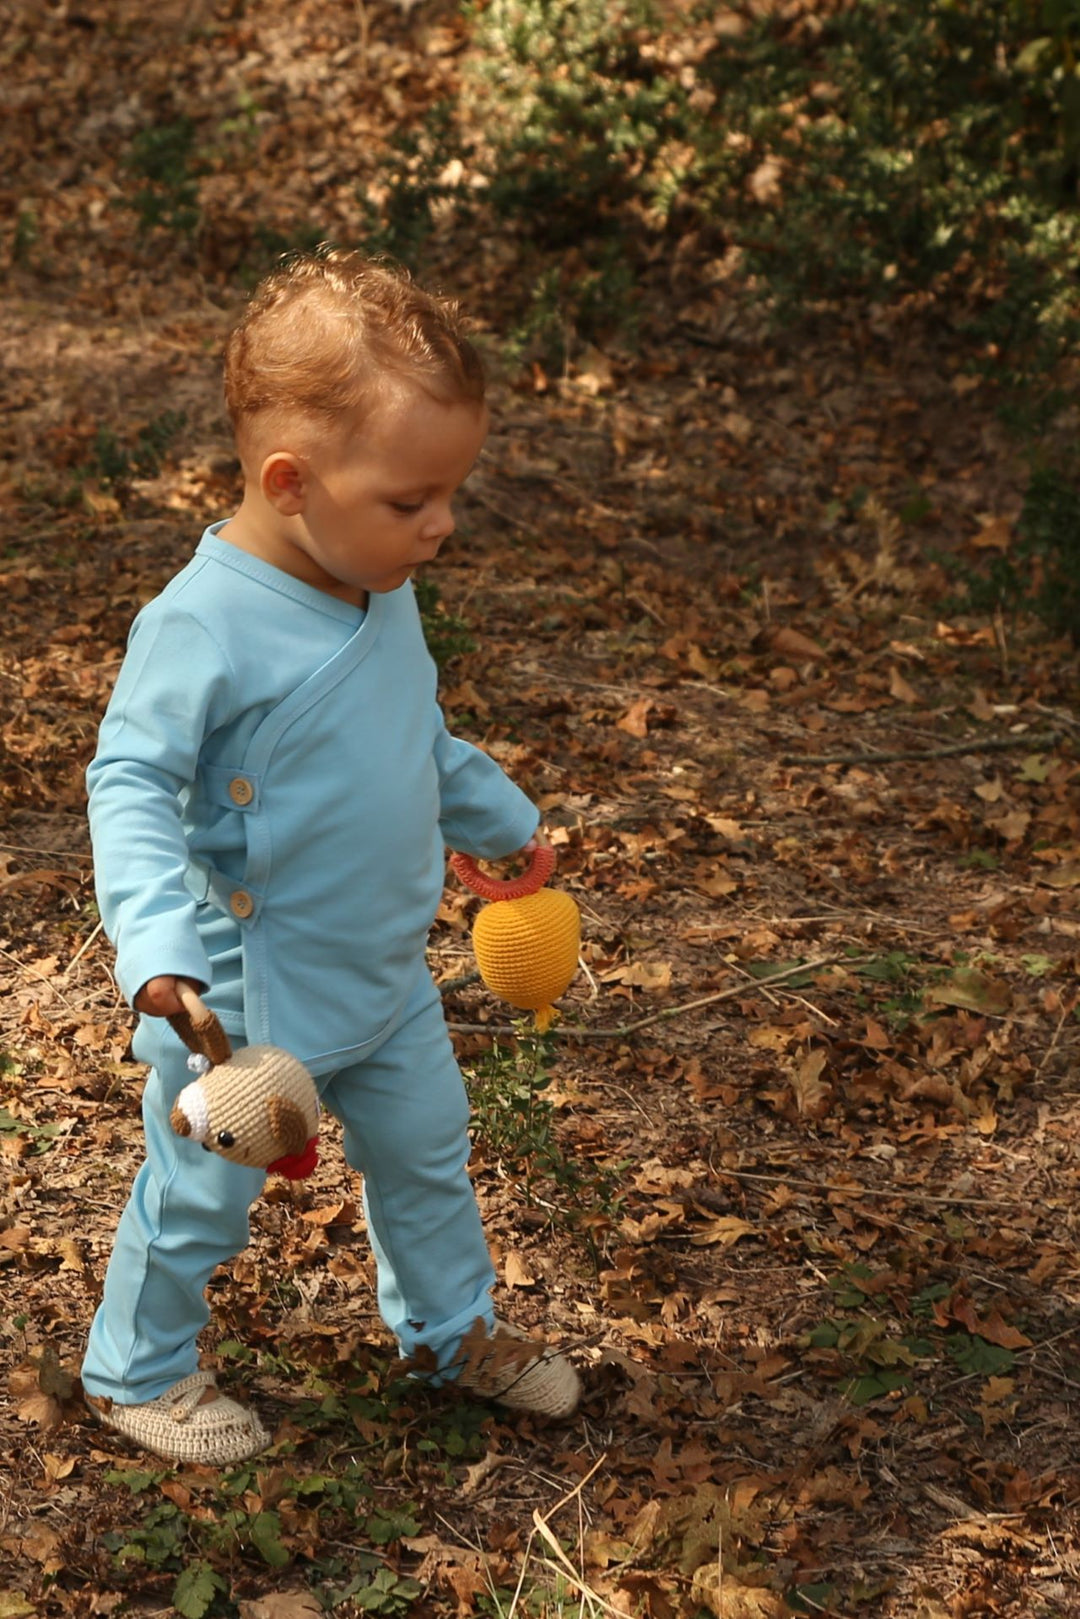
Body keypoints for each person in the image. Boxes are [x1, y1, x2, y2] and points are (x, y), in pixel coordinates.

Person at [81, 248, 581, 1466]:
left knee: (425, 1154)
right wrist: (154, 951)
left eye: (450, 493)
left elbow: (408, 736)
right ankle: (135, 1371)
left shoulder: (376, 581)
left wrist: (499, 817)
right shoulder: (201, 622)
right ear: (291, 481)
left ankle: (447, 1330)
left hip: (383, 970)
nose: (443, 524)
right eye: (412, 500)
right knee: (201, 1197)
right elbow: (129, 780)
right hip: (240, 997)